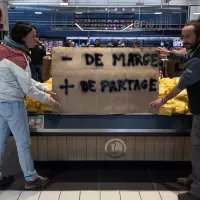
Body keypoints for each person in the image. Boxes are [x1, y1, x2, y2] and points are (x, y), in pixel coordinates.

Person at [0, 22, 61, 189]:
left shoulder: (3, 50)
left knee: (0, 142)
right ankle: (31, 178)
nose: (36, 39)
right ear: (22, 38)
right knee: (23, 143)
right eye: (32, 36)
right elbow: (26, 87)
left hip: (1, 102)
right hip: (13, 104)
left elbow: (26, 79)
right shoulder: (18, 57)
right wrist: (48, 99)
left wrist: (43, 87)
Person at [149, 19, 200, 200]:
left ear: (198, 35)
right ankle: (194, 179)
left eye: (188, 36)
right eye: (183, 36)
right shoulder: (195, 51)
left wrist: (162, 100)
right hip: (197, 108)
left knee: (197, 149)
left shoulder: (198, 59)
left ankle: (196, 192)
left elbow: (181, 84)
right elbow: (186, 57)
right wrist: (168, 53)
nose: (184, 40)